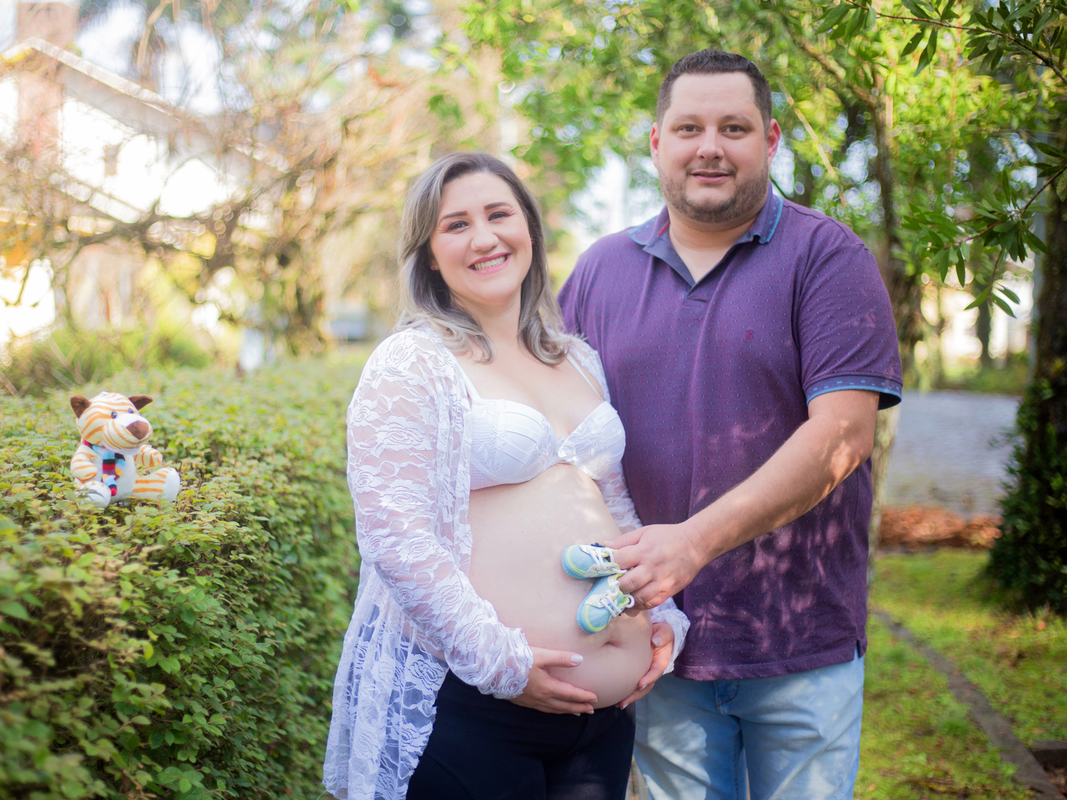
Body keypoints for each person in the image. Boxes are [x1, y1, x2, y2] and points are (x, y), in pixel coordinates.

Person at [558, 50, 903, 800]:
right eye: (688, 127)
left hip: (800, 644)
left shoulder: (828, 258)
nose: (709, 146)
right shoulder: (597, 273)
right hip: (658, 642)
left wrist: (693, 542)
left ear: (771, 139)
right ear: (656, 142)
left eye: (733, 127)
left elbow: (842, 438)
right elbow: (558, 446)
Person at [323, 152, 690, 800]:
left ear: (529, 229)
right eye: (456, 225)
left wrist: (662, 615)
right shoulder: (412, 363)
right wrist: (502, 663)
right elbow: (395, 537)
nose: (485, 237)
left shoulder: (576, 358)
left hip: (601, 725)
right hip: (479, 711)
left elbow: (614, 505)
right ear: (430, 255)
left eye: (499, 214)